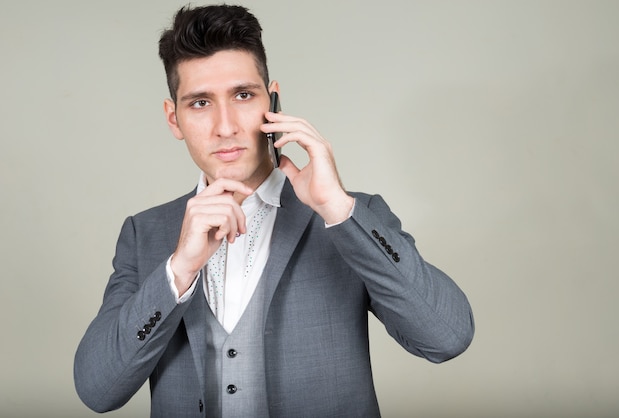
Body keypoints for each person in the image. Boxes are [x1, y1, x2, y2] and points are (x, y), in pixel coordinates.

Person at [74, 4, 474, 417]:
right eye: (200, 103)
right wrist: (178, 272)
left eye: (243, 95)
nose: (225, 126)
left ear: (274, 101)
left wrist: (336, 208)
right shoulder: (146, 233)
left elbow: (447, 337)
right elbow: (97, 390)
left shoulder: (353, 216)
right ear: (173, 118)